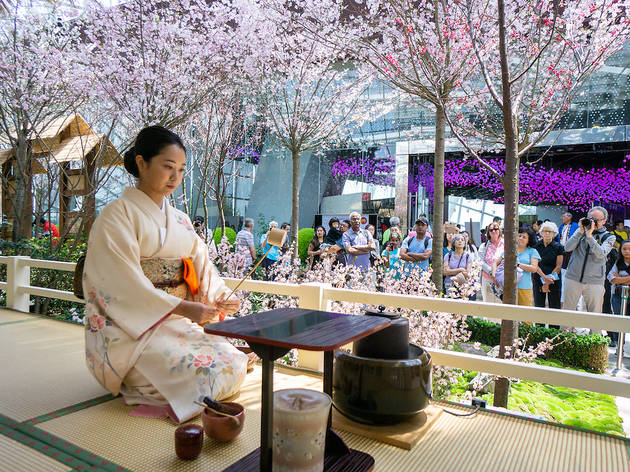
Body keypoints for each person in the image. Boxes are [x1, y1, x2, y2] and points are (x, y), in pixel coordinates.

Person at [82, 125, 247, 424]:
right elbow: (121, 283)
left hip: (175, 323)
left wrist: (221, 297)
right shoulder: (116, 216)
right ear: (142, 163)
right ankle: (136, 381)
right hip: (134, 332)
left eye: (181, 170)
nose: (175, 176)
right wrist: (185, 308)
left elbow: (201, 267)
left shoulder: (181, 220)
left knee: (233, 362)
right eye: (168, 167)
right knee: (199, 373)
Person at [563, 206, 615, 314]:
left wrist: (590, 237)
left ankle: (595, 332)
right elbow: (567, 248)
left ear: (604, 221)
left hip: (595, 281)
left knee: (595, 314)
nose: (593, 222)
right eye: (591, 219)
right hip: (573, 277)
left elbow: (601, 254)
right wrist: (580, 232)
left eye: (596, 220)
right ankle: (566, 331)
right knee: (567, 312)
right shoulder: (579, 231)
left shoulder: (609, 237)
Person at [533, 222, 564, 320]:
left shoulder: (558, 247)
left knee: (554, 307)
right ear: (541, 232)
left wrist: (547, 282)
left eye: (549, 231)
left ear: (554, 233)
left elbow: (558, 266)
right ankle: (539, 331)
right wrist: (544, 279)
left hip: (554, 279)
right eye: (544, 231)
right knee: (539, 307)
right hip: (538, 277)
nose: (547, 233)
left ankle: (554, 331)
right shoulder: (536, 246)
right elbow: (535, 264)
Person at [607, 240, 630, 347]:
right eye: (624, 249)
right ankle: (619, 346)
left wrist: (619, 278)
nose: (627, 251)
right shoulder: (617, 262)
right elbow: (611, 278)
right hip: (617, 295)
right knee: (618, 319)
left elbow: (616, 278)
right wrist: (626, 279)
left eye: (629, 249)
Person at [478, 222, 504, 304]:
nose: (493, 231)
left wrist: (496, 274)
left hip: (501, 279)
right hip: (486, 278)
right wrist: (491, 272)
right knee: (488, 305)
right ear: (488, 232)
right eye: (491, 230)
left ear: (499, 230)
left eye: (496, 229)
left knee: (500, 304)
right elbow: (480, 262)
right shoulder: (484, 246)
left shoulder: (505, 244)